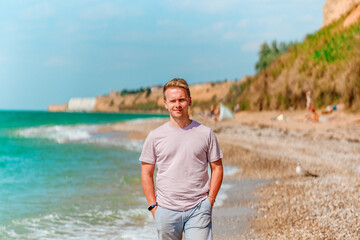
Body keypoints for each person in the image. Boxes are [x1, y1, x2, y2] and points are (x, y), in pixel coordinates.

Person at [140, 78, 223, 240]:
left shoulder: (205, 133)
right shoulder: (155, 136)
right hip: (165, 210)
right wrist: (153, 207)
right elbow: (146, 173)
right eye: (172, 101)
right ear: (165, 103)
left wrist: (210, 200)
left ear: (189, 101)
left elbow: (217, 167)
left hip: (199, 208)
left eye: (181, 100)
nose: (177, 105)